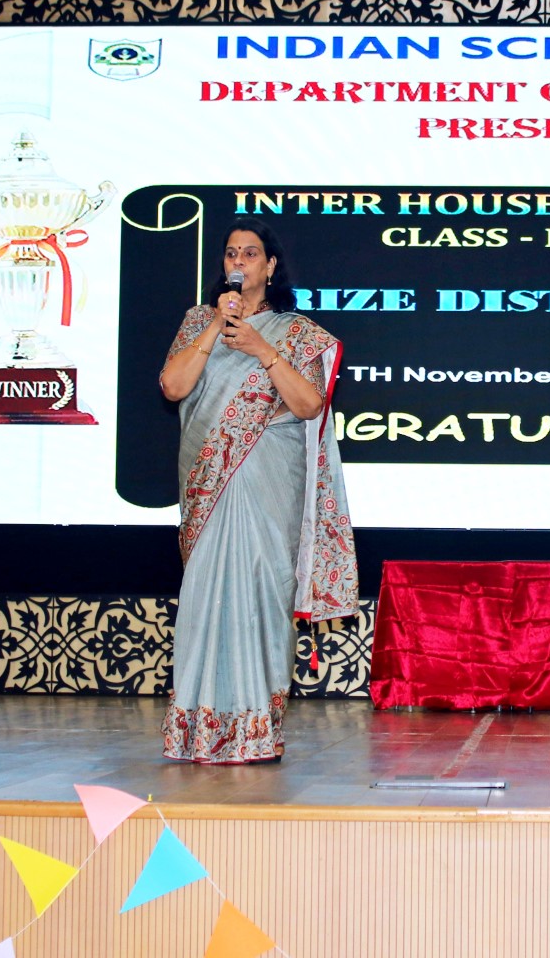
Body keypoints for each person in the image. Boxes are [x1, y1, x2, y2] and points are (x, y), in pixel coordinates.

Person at [156, 219, 358, 764]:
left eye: (250, 253)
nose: (239, 261)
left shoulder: (296, 333)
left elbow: (309, 405)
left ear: (270, 266)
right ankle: (198, 729)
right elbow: (173, 386)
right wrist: (215, 327)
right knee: (206, 594)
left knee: (264, 592)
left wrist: (260, 348)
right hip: (209, 485)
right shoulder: (198, 321)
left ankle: (256, 729)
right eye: (231, 253)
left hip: (270, 479)